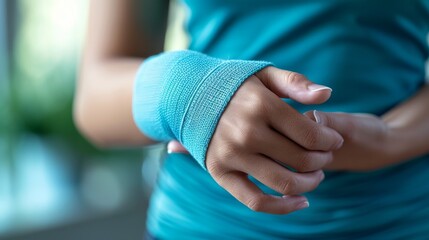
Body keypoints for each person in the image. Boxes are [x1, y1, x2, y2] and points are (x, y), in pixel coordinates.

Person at [74, 0, 429, 239]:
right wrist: (188, 92)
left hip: (403, 219)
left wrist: (388, 138)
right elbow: (94, 98)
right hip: (204, 223)